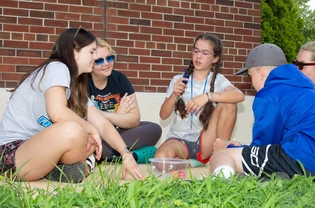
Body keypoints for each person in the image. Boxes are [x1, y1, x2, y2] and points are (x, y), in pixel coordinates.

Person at [0, 27, 143, 183]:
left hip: (38, 154)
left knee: (93, 137)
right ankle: (82, 165)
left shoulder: (75, 84)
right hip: (13, 155)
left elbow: (102, 124)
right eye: (92, 52)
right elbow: (57, 113)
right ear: (75, 51)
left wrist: (126, 154)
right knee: (74, 130)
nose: (95, 57)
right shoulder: (57, 67)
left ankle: (57, 170)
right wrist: (91, 129)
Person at [210, 43, 315, 184]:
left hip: (304, 158)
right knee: (246, 157)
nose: (251, 83)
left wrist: (230, 148)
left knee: (223, 154)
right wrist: (243, 150)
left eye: (250, 76)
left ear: (260, 72)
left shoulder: (269, 94)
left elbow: (263, 144)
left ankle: (223, 184)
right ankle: (275, 179)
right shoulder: (308, 91)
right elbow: (270, 149)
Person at [154, 33, 245, 167]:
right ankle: (192, 164)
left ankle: (222, 154)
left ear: (215, 58)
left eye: (205, 53)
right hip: (180, 140)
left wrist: (207, 97)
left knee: (229, 103)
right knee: (160, 160)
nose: (198, 56)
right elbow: (163, 115)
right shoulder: (179, 79)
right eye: (196, 51)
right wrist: (174, 94)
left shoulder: (218, 80)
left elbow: (239, 95)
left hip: (206, 142)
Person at [88, 38, 162, 163]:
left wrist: (105, 115)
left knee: (154, 128)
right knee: (91, 140)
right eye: (99, 60)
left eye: (109, 58)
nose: (106, 63)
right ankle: (132, 155)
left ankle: (110, 156)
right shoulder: (82, 83)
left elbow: (134, 119)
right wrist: (119, 116)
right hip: (95, 137)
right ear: (90, 63)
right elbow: (85, 121)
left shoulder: (120, 79)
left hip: (116, 133)